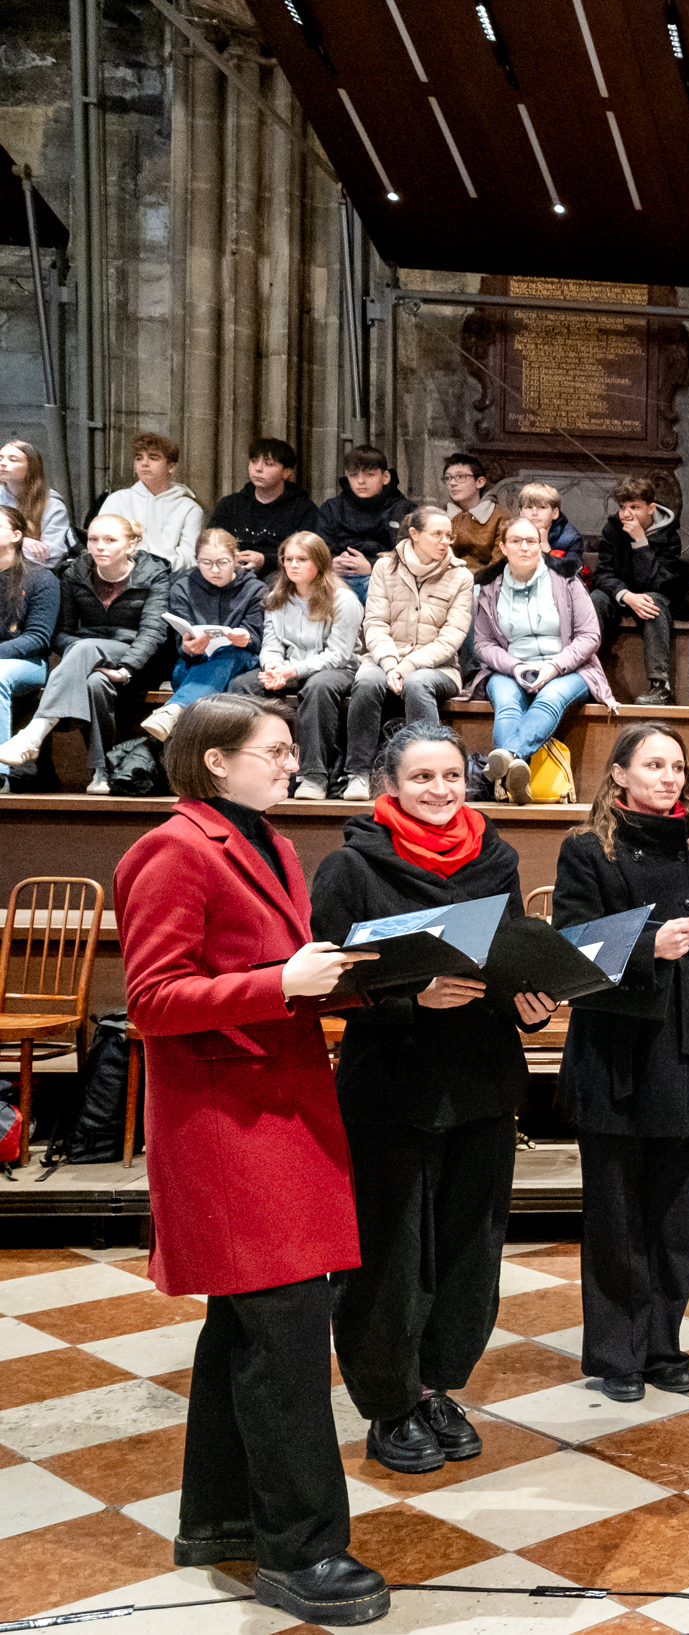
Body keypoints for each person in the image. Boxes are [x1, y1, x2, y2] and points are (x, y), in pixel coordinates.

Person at [114, 692, 388, 1625]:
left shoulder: (270, 843)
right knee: (284, 1336)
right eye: (275, 749)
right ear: (216, 760)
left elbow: (282, 978)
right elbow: (152, 999)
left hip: (279, 1109)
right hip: (226, 1125)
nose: (292, 761)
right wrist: (282, 980)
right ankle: (300, 1552)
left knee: (244, 1330)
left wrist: (368, 979)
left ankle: (220, 1518)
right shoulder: (171, 849)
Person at [311, 723, 555, 1473]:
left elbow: (507, 955)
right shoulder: (350, 866)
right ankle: (389, 1403)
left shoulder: (496, 856)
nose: (441, 790)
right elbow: (327, 983)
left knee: (468, 1253)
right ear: (390, 785)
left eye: (452, 775)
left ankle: (435, 1385)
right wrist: (410, 996)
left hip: (482, 1081)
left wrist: (532, 1000)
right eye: (422, 778)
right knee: (389, 1257)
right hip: (391, 1086)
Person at [554, 724, 689, 1401]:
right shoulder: (587, 848)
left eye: (677, 766)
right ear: (619, 774)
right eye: (654, 765)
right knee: (615, 1218)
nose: (669, 777)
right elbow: (572, 942)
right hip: (616, 1054)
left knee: (674, 1217)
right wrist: (648, 946)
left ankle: (664, 1346)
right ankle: (618, 1354)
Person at [0, 513, 173, 790]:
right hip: (88, 658)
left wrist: (126, 667)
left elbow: (153, 632)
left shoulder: (155, 575)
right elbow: (61, 633)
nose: (99, 546)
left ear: (130, 545)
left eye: (110, 540)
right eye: (93, 539)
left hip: (139, 660)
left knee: (85, 647)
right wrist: (84, 655)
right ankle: (101, 772)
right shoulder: (76, 573)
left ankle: (35, 733)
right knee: (95, 682)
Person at [467, 515, 615, 806]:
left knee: (550, 698)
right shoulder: (489, 587)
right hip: (510, 669)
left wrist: (554, 666)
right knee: (507, 704)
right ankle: (514, 777)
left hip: (567, 668)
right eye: (515, 541)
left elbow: (590, 635)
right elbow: (483, 643)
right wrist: (515, 667)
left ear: (540, 546)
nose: (524, 547)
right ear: (503, 547)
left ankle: (507, 764)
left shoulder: (566, 580)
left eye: (531, 541)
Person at [347, 505, 472, 802]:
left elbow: (452, 637)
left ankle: (428, 771)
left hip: (438, 666)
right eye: (437, 534)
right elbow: (375, 623)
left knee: (417, 684)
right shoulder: (385, 567)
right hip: (384, 658)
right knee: (366, 681)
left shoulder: (461, 576)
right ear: (414, 534)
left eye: (449, 536)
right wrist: (391, 663)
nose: (445, 541)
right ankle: (357, 774)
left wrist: (407, 667)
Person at [246, 533, 363, 802]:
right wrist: (273, 667)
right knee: (245, 684)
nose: (293, 565)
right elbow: (272, 643)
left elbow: (337, 655)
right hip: (289, 667)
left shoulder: (344, 600)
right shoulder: (277, 597)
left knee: (318, 687)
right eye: (288, 559)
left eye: (302, 559)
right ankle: (254, 768)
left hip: (338, 669)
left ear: (319, 562)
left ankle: (314, 776)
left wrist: (291, 671)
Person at [142, 528, 267, 743]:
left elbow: (256, 638)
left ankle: (175, 709)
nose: (214, 570)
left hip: (240, 661)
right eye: (206, 563)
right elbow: (182, 642)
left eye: (223, 562)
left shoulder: (254, 589)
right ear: (195, 559)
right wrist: (189, 647)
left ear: (236, 558)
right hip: (194, 664)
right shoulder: (183, 587)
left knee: (228, 654)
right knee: (196, 671)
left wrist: (246, 637)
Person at [591, 474, 689, 706]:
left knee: (653, 601)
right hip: (621, 596)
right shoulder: (612, 530)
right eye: (622, 507)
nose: (626, 514)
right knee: (596, 599)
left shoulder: (669, 536)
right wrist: (626, 596)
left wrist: (640, 542)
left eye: (634, 507)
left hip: (655, 596)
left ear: (651, 508)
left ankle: (660, 686)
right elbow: (602, 574)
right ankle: (586, 676)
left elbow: (659, 584)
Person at [0, 506, 60, 792]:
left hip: (28, 662)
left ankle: (1, 772)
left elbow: (37, 638)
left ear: (16, 535)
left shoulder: (41, 579)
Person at [207, 437, 320, 576]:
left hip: (280, 574)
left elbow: (308, 553)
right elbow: (210, 540)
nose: (258, 469)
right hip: (230, 570)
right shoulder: (230, 504)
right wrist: (227, 554)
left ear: (286, 472)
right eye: (253, 461)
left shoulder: (303, 509)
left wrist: (265, 560)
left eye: (268, 464)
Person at [313, 447, 414, 597]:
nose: (360, 481)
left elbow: (412, 555)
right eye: (354, 475)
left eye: (369, 474)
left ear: (385, 477)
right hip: (334, 580)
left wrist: (372, 566)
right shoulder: (332, 508)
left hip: (387, 582)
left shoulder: (405, 510)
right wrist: (330, 564)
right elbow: (317, 547)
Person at [98, 431, 205, 570]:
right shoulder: (117, 501)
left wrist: (152, 567)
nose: (144, 463)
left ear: (171, 466)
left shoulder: (190, 509)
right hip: (125, 577)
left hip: (170, 579)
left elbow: (190, 559)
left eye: (153, 458)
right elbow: (103, 547)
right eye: (139, 458)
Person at [0, 438, 74, 564]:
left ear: (31, 467)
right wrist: (20, 542)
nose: (2, 463)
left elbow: (52, 552)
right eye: (0, 458)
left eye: (13, 460)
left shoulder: (52, 504)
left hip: (33, 570)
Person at [441, 451, 512, 576]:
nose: (452, 483)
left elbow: (498, 564)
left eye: (460, 477)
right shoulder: (440, 516)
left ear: (480, 482)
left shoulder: (500, 516)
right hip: (445, 580)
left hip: (485, 583)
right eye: (448, 478)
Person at [511, 482, 589, 580]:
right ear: (521, 513)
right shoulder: (511, 534)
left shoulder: (571, 538)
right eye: (529, 507)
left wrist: (545, 548)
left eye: (542, 507)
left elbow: (572, 575)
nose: (534, 513)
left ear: (555, 513)